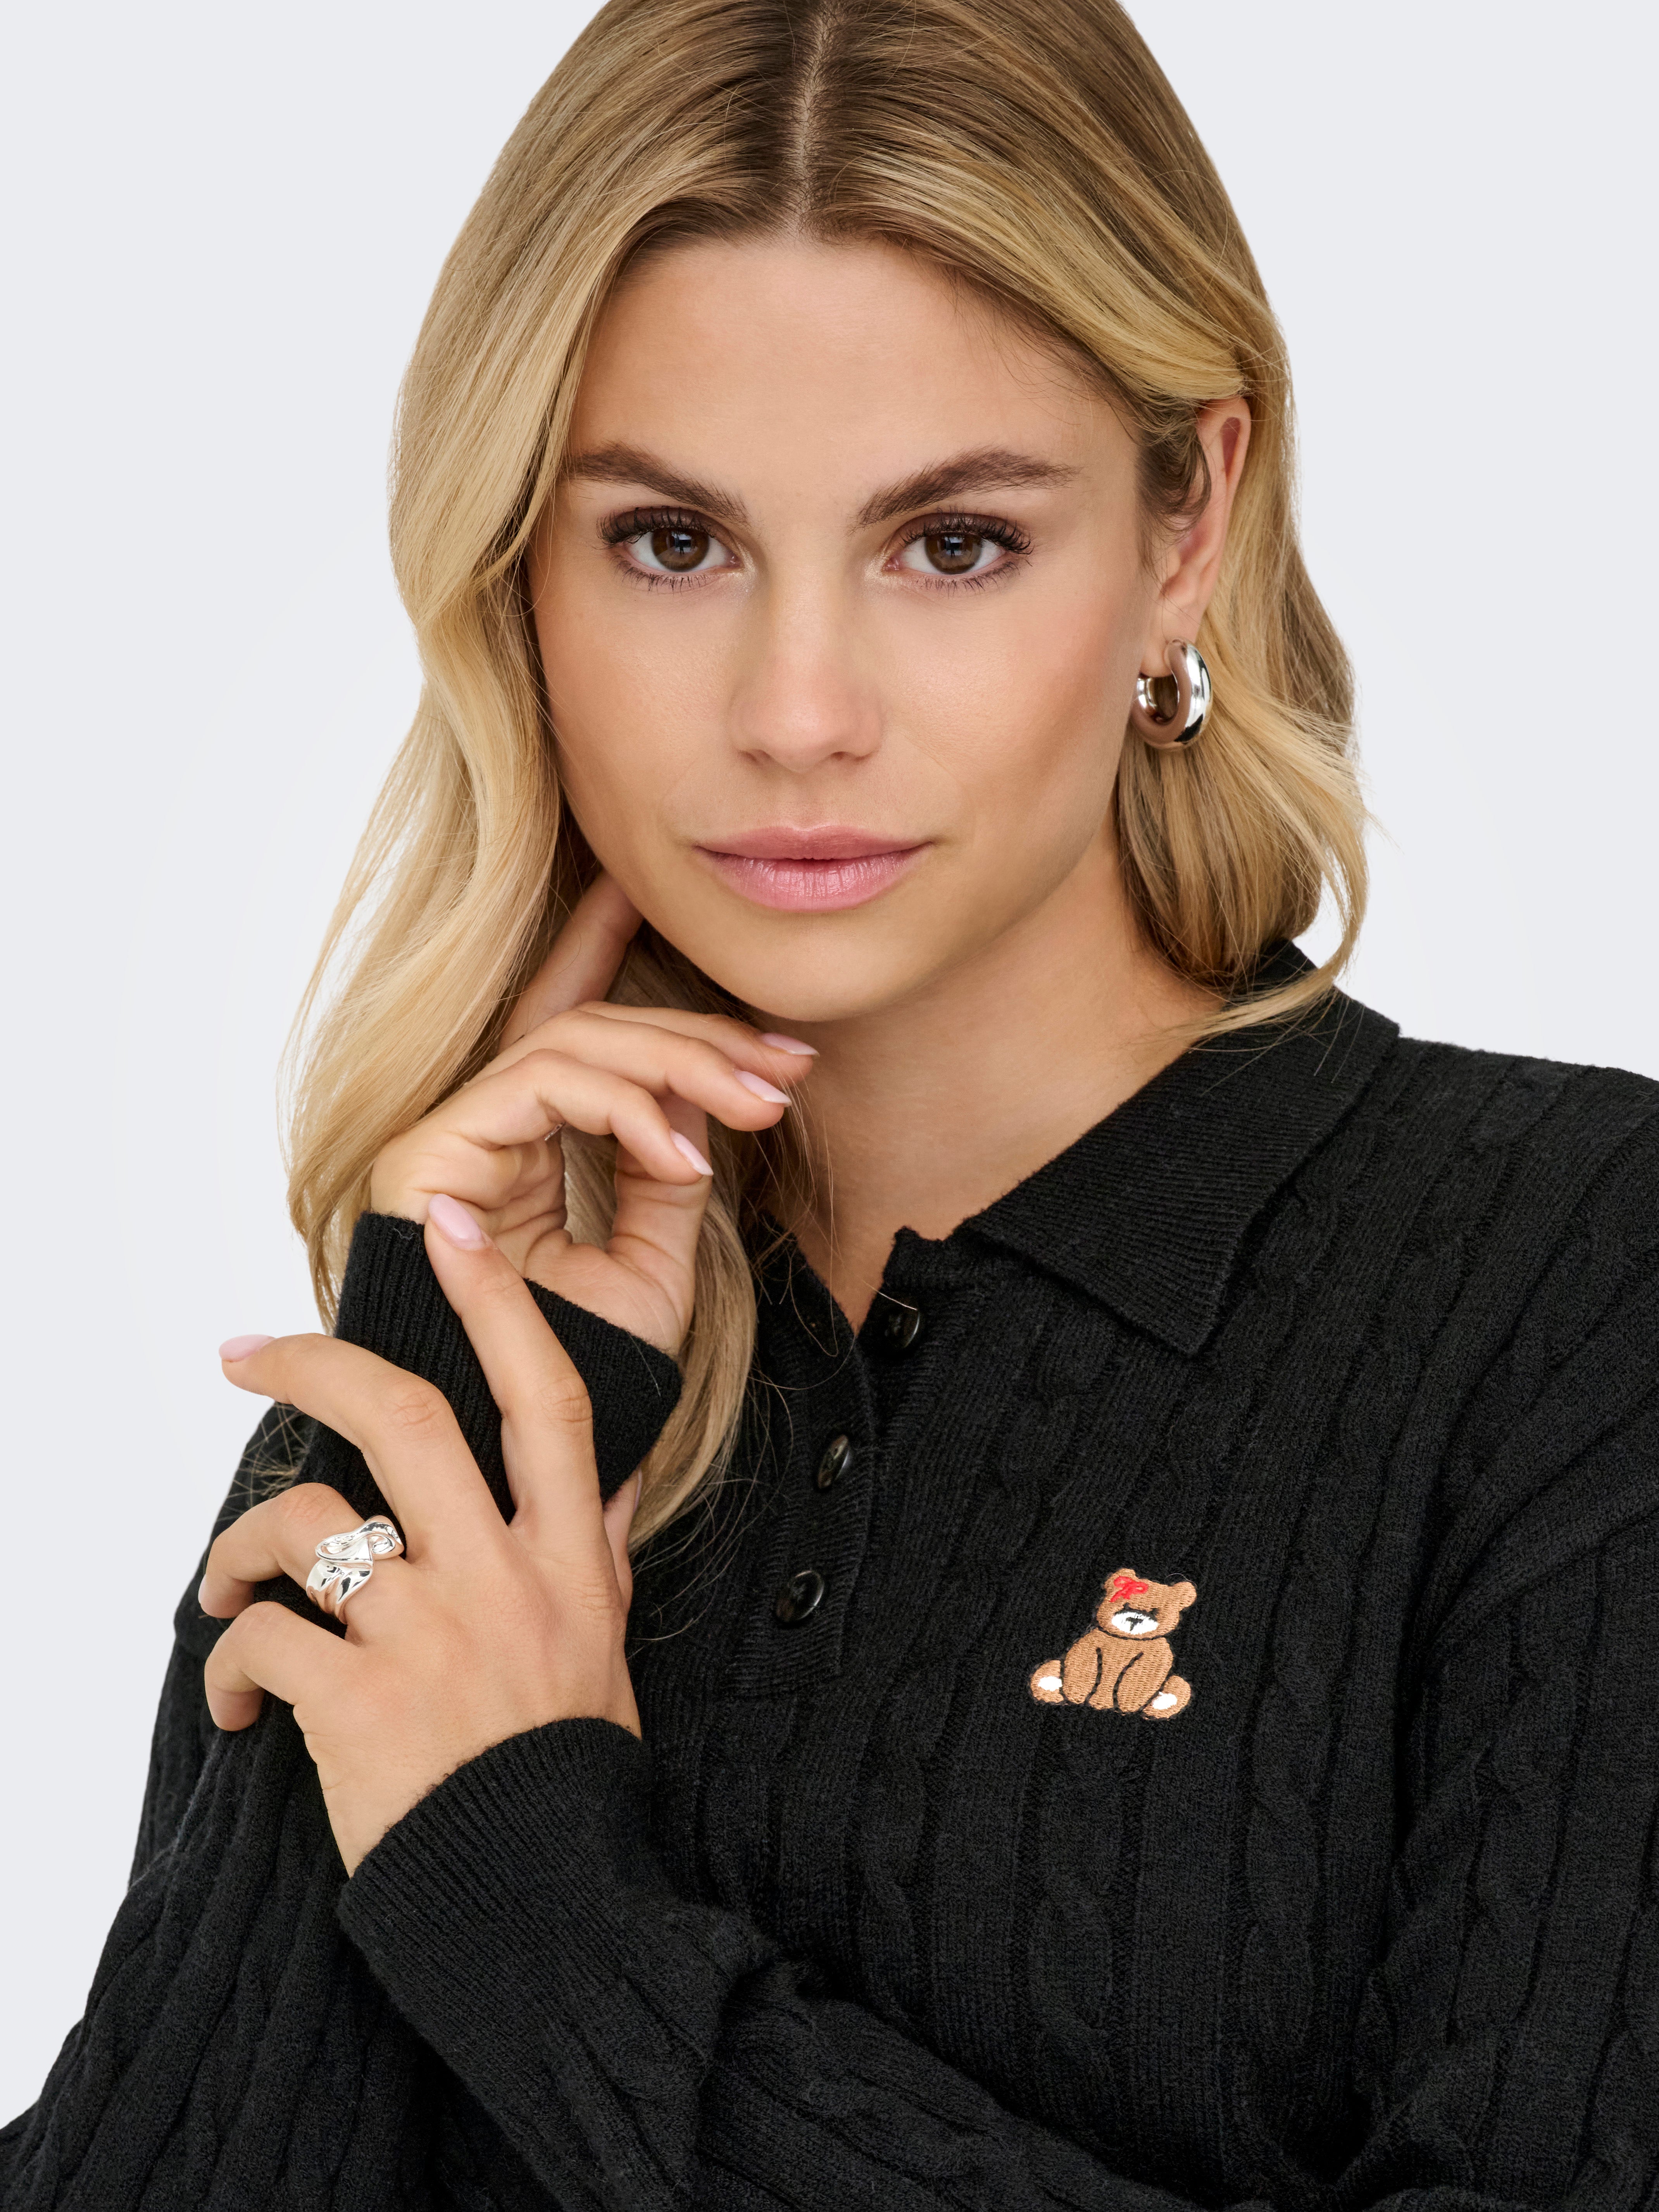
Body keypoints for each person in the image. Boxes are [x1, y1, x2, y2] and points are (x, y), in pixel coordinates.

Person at [7, 0, 1657, 2203]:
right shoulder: (475, 1356)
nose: (797, 714)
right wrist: (444, 1419)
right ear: (518, 574)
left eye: (951, 543)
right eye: (670, 543)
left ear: (1185, 524)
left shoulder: (1573, 1284)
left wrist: (534, 1895)